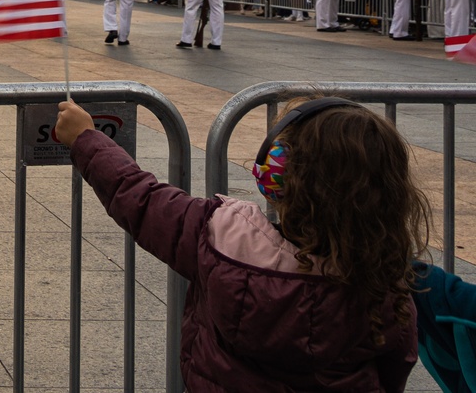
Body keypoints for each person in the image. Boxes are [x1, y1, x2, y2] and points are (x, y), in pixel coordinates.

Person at [55, 93, 429, 393]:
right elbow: (396, 366)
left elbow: (138, 195)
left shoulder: (221, 237)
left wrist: (87, 139)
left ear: (275, 176)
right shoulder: (387, 281)